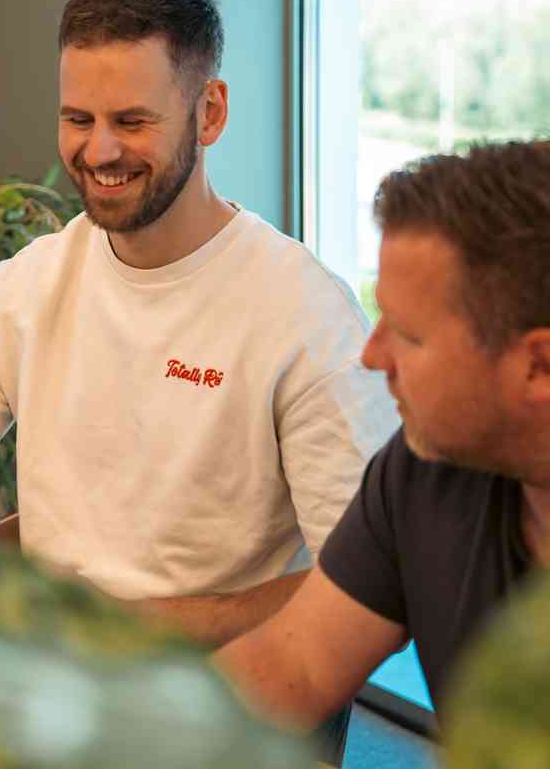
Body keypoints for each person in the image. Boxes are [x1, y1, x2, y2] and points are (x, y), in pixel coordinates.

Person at [0, 0, 398, 646]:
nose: (99, 151)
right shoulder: (25, 289)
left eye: (131, 121)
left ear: (209, 112)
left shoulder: (306, 317)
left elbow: (372, 588)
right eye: (79, 119)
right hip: (43, 676)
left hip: (221, 684)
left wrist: (126, 629)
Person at [216, 139, 550, 721]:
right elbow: (294, 666)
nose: (372, 357)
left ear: (538, 366)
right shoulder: (423, 467)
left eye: (408, 335)